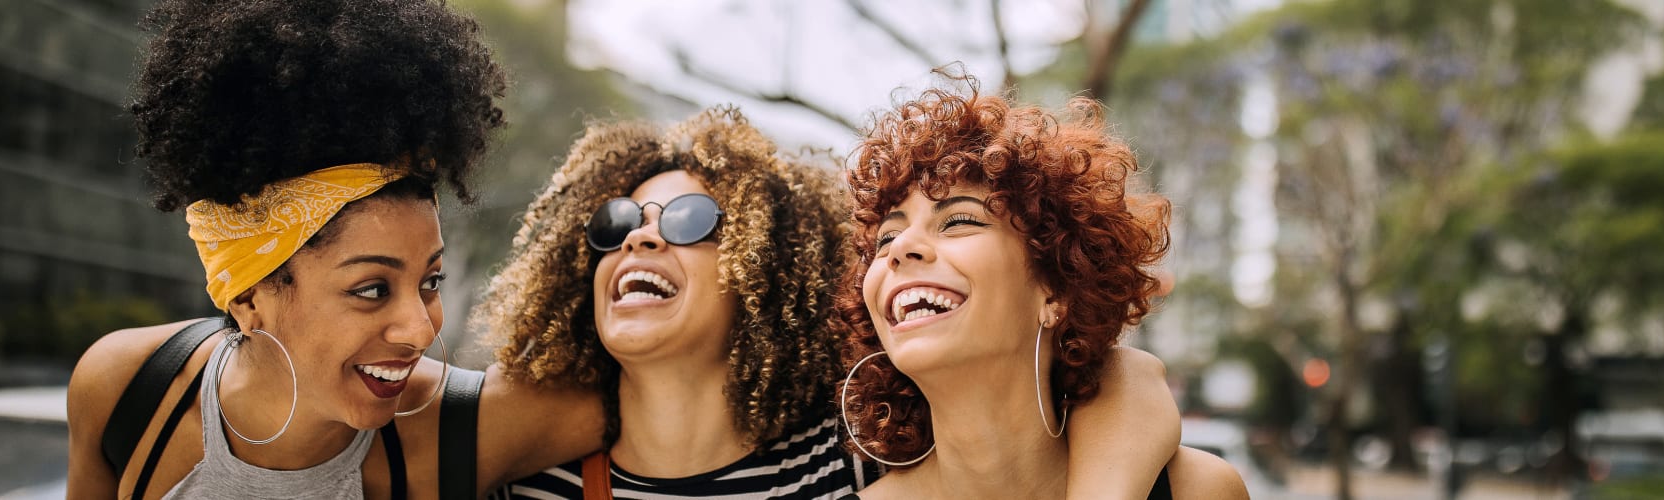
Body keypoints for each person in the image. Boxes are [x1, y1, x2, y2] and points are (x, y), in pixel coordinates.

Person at [480, 107, 1184, 499]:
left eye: (691, 220)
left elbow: (1129, 377)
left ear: (765, 268)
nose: (641, 242)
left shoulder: (847, 459)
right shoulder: (524, 480)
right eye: (616, 227)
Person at [65, 0, 601, 498]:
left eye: (430, 281)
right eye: (371, 289)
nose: (419, 329)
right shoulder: (127, 390)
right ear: (250, 297)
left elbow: (666, 390)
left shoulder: (461, 430)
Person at [834, 78, 1250, 499]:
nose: (900, 249)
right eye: (886, 238)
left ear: (1056, 289)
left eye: (959, 221)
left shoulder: (1198, 490)